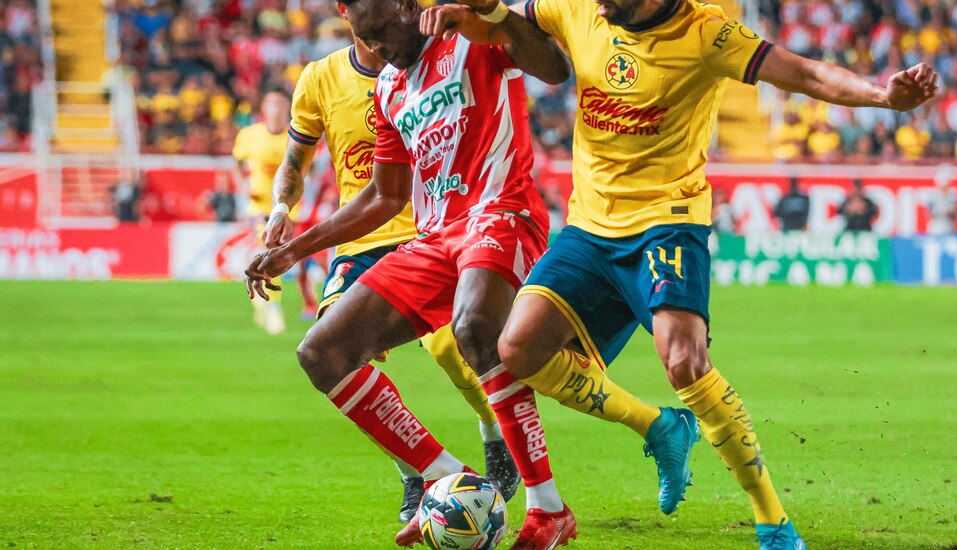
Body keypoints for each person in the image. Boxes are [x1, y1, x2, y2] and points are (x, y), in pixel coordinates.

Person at [429, 0, 938, 547]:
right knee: (519, 349)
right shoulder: (579, 9)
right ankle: (662, 425)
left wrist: (883, 96)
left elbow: (807, 72)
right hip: (589, 229)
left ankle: (772, 521)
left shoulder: (707, 34)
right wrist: (477, 13)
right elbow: (507, 23)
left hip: (667, 224)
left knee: (684, 362)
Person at [247, 2, 696, 547]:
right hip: (435, 237)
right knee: (322, 352)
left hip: (501, 211)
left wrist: (495, 16)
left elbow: (555, 69)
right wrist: (297, 247)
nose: (381, 51)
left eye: (384, 33)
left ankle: (547, 507)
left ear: (408, 7)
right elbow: (385, 197)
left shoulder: (473, 33)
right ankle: (445, 480)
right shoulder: (390, 86)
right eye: (367, 41)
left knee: (472, 330)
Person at [259, 1, 520, 523]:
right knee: (336, 353)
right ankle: (416, 474)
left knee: (450, 347)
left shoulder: (431, 64)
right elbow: (295, 160)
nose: (378, 40)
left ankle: (495, 435)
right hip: (359, 243)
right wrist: (281, 210)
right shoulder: (319, 78)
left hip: (425, 228)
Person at [232, 89, 319, 333]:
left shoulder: (295, 136)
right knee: (271, 247)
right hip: (260, 205)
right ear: (264, 108)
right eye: (271, 103)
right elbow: (237, 164)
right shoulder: (249, 135)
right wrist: (244, 188)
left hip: (291, 207)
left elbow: (307, 168)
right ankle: (273, 306)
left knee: (297, 259)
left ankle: (306, 303)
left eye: (281, 104)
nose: (276, 109)